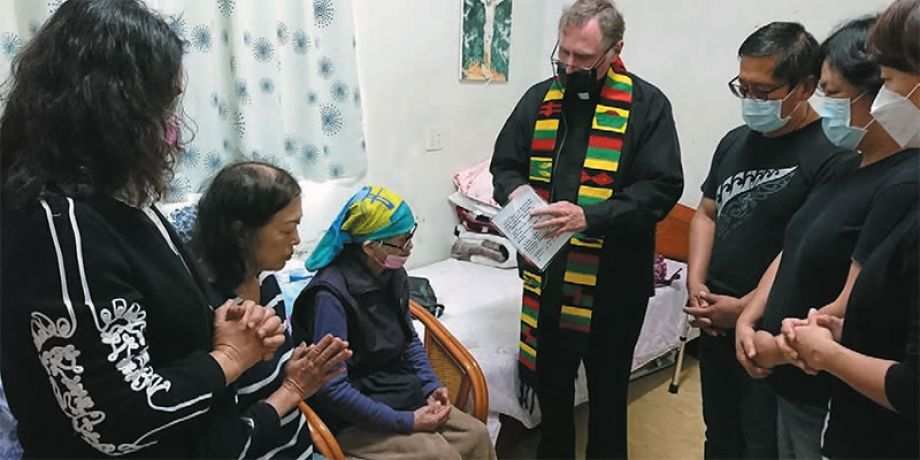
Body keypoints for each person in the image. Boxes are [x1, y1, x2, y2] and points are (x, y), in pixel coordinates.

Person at [1, 1, 314, 457]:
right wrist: (229, 358)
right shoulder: (55, 224)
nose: (171, 126)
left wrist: (219, 319)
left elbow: (158, 315)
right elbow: (114, 419)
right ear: (114, 107)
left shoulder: (117, 200)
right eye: (163, 104)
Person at [489, 0, 683, 457]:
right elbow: (505, 165)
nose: (570, 67)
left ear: (615, 51)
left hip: (615, 283)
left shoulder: (647, 105)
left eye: (583, 58)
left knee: (608, 395)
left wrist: (589, 218)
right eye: (564, 54)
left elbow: (662, 188)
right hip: (548, 277)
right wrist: (516, 194)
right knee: (553, 392)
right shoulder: (539, 98)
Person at [734, 14, 919, 459]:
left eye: (832, 94)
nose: (824, 106)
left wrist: (776, 348)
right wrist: (750, 316)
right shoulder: (844, 163)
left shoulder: (902, 185)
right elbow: (793, 248)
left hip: (824, 389)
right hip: (789, 365)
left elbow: (851, 308)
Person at [683, 21, 851, 460]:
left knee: (762, 445)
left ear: (805, 87)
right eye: (744, 89)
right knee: (719, 434)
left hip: (776, 335)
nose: (752, 102)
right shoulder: (735, 142)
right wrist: (695, 282)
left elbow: (802, 251)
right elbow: (706, 212)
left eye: (764, 92)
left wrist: (742, 309)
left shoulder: (832, 154)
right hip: (715, 322)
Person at [292, 186, 495, 460]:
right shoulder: (330, 297)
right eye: (401, 241)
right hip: (351, 415)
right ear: (370, 246)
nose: (409, 247)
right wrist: (407, 422)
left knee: (476, 436)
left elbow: (408, 340)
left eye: (409, 237)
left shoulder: (392, 273)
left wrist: (430, 385)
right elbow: (334, 390)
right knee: (438, 454)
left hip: (394, 391)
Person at [192, 161, 352, 458]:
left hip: (298, 446)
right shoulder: (209, 310)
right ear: (241, 233)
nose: (297, 240)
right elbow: (223, 446)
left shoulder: (267, 282)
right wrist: (292, 388)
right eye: (287, 229)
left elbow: (277, 371)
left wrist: (302, 370)